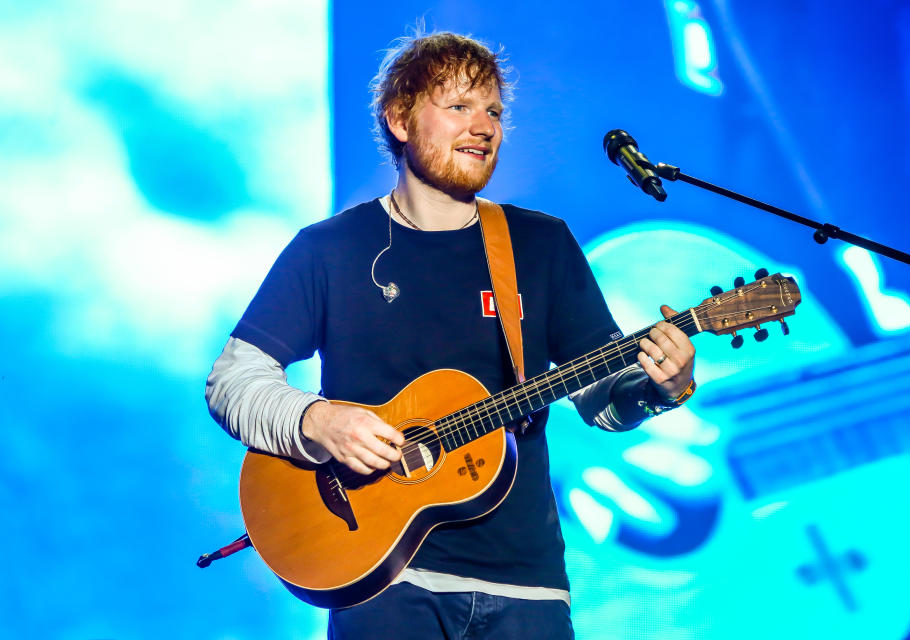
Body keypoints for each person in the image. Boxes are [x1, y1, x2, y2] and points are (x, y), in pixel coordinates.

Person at [206, 30, 695, 639]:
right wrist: (317, 422)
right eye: (459, 106)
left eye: (493, 111)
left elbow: (601, 399)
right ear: (401, 118)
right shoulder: (330, 248)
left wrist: (660, 388)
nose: (484, 127)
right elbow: (233, 378)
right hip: (386, 582)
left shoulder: (539, 245)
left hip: (527, 587)